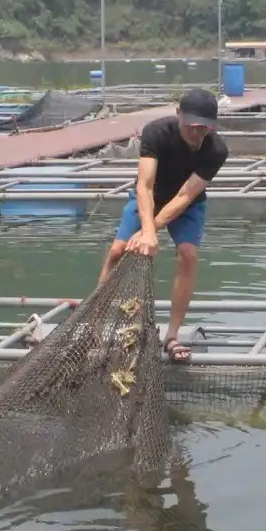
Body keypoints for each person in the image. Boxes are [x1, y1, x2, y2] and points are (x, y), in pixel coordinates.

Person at [101, 88, 229, 363]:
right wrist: (147, 231)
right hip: (150, 197)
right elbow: (144, 186)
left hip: (186, 205)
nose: (196, 133)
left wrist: (151, 231)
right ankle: (99, 320)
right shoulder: (156, 132)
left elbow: (185, 196)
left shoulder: (217, 150)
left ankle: (171, 335)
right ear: (178, 114)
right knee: (117, 251)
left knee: (188, 254)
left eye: (203, 128)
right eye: (191, 125)